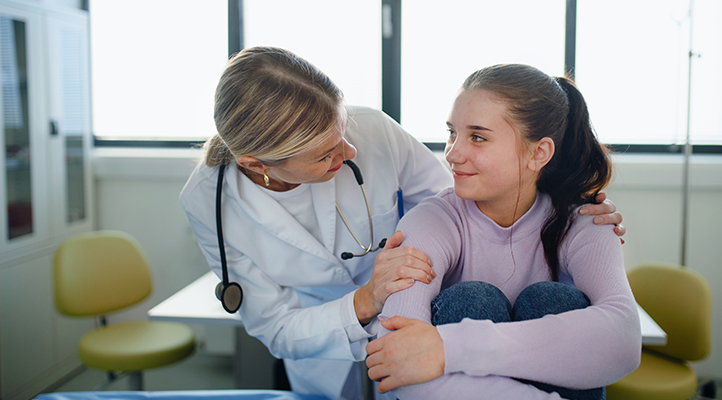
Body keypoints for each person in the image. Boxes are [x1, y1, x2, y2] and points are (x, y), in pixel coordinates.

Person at [180, 47, 625, 400]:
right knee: (469, 305)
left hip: (426, 320)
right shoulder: (212, 205)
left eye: (343, 131)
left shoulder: (374, 133)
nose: (351, 152)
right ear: (258, 165)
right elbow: (277, 326)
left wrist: (570, 206)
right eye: (325, 154)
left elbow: (455, 204)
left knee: (536, 300)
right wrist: (367, 300)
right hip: (327, 342)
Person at [366, 64, 641, 400]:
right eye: (453, 132)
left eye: (477, 137)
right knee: (469, 299)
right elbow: (398, 358)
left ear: (538, 153)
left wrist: (450, 348)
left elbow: (624, 340)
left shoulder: (586, 222)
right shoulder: (431, 222)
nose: (452, 154)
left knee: (552, 300)